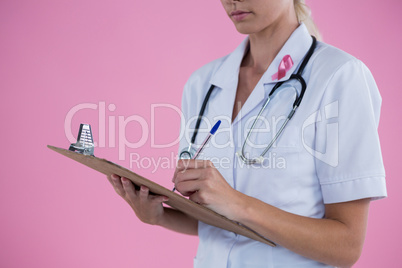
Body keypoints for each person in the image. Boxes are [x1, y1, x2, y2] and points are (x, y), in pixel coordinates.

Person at [108, 0, 387, 267]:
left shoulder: (339, 77)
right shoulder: (204, 83)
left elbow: (347, 246)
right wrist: (159, 216)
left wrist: (238, 203)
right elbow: (224, 223)